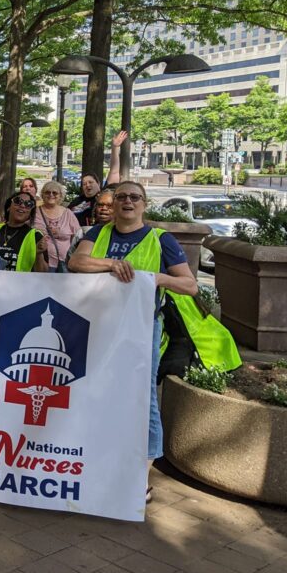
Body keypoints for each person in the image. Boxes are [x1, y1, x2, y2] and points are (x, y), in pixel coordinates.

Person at [69, 181, 197, 502]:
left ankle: (142, 473)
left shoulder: (161, 239)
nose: (128, 202)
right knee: (95, 388)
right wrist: (112, 264)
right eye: (121, 197)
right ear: (111, 205)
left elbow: (189, 285)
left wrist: (158, 278)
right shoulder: (98, 234)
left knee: (142, 397)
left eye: (134, 198)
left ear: (144, 204)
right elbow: (77, 263)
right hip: (97, 324)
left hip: (141, 328)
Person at [68, 130, 127, 225]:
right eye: (84, 184)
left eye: (90, 182)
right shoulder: (77, 200)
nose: (87, 185)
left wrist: (115, 147)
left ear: (98, 183)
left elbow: (114, 171)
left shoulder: (104, 195)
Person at [0, 192, 48, 272]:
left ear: (30, 213)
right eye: (18, 201)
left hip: (20, 283)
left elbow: (43, 273)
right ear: (9, 207)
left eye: (28, 204)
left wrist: (39, 254)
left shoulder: (36, 236)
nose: (22, 206)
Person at [34, 180, 80, 271]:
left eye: (55, 193)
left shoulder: (68, 214)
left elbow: (78, 237)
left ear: (60, 196)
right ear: (42, 195)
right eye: (47, 192)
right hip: (40, 263)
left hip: (64, 263)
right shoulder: (34, 212)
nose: (51, 195)